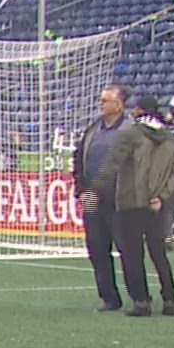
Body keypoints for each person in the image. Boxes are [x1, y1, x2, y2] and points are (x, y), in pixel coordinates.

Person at [93, 94, 174, 316]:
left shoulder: (130, 135)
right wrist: (162, 197)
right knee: (159, 253)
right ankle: (170, 299)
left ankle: (141, 301)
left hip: (130, 202)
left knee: (132, 255)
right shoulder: (169, 138)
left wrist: (95, 192)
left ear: (138, 111)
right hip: (157, 205)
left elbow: (111, 165)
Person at [72, 86, 130, 311]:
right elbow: (78, 160)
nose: (101, 104)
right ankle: (109, 297)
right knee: (97, 249)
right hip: (93, 198)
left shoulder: (130, 130)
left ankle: (138, 297)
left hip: (120, 200)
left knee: (128, 250)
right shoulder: (92, 131)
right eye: (101, 100)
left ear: (119, 105)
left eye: (106, 100)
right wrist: (81, 188)